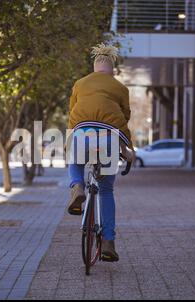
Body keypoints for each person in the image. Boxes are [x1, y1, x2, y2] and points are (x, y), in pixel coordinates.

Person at [66, 43, 135, 262]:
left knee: (75, 160)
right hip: (109, 140)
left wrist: (69, 142)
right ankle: (108, 242)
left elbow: (72, 112)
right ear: (112, 70)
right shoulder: (120, 88)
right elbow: (123, 118)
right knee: (106, 191)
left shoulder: (79, 83)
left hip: (81, 135)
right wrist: (126, 148)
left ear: (94, 68)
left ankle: (77, 186)